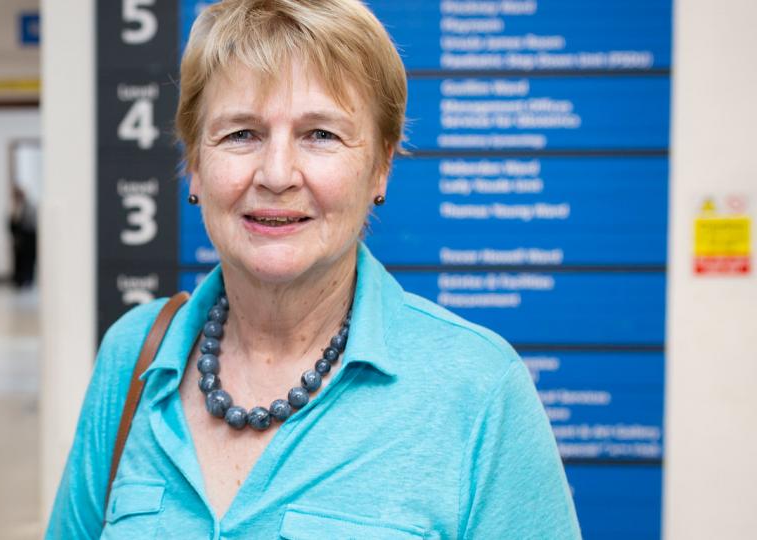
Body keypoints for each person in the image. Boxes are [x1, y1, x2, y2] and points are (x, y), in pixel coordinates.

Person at [46, 0, 579, 537]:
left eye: (320, 134)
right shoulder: (133, 355)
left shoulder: (479, 388)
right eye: (241, 134)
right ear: (194, 166)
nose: (277, 174)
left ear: (381, 167)